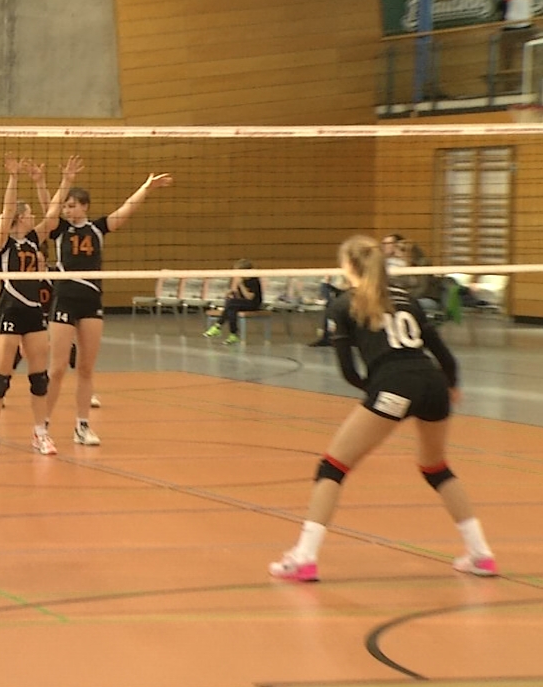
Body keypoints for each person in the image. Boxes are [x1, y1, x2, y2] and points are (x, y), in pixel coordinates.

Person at [268, 234, 498, 582]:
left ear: (348, 266)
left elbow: (349, 372)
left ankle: (304, 558)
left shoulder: (343, 304)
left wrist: (379, 395)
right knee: (436, 467)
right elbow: (445, 356)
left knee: (332, 468)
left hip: (394, 386)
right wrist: (450, 386)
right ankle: (481, 554)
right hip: (433, 383)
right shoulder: (407, 299)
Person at [45, 171, 174, 446]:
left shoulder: (98, 229)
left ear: (84, 206)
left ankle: (82, 427)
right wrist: (63, 182)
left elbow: (127, 208)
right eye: (65, 206)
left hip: (91, 301)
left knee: (86, 368)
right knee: (56, 369)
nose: (67, 210)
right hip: (64, 299)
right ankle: (41, 426)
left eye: (72, 206)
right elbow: (50, 209)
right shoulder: (59, 230)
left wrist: (146, 187)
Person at [0, 153, 82, 457]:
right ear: (19, 218)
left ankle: (40, 434)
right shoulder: (4, 243)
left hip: (33, 314)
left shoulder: (34, 240)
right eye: (27, 213)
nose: (31, 216)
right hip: (9, 311)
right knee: (0, 379)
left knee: (39, 378)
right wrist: (13, 178)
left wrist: (65, 181)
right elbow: (6, 210)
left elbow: (52, 215)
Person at [203, 259, 263, 345]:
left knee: (231, 305)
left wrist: (241, 285)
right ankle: (233, 334)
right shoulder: (240, 279)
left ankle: (218, 326)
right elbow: (238, 296)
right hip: (242, 303)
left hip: (253, 304)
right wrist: (231, 292)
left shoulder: (253, 280)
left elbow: (249, 297)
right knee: (231, 308)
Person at [497, 0, 539, 87]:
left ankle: (536, 82)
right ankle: (507, 85)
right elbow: (501, 8)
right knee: (507, 59)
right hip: (510, 27)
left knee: (537, 52)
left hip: (527, 26)